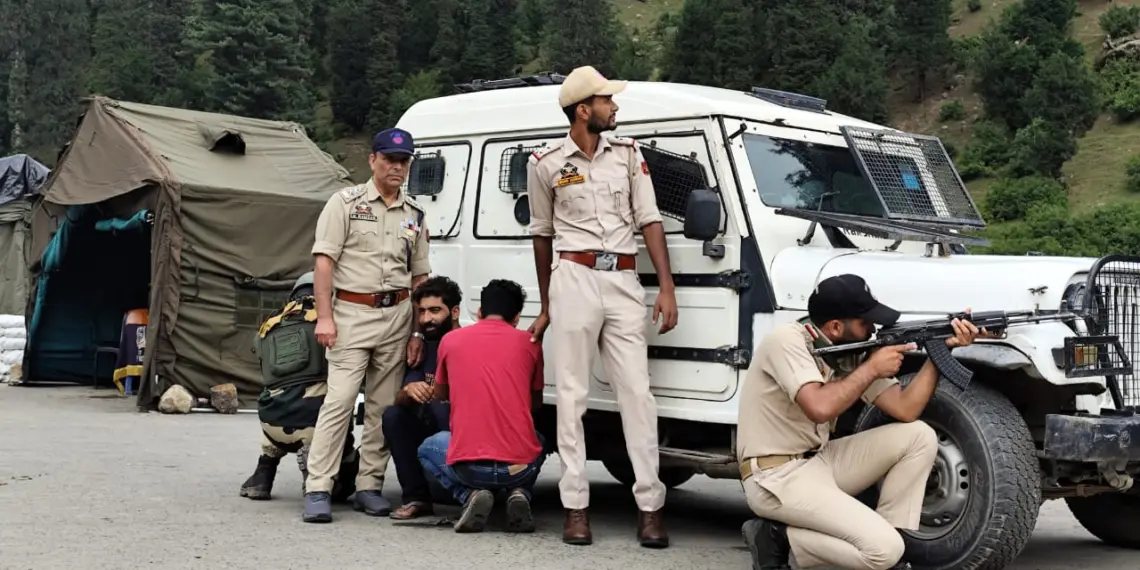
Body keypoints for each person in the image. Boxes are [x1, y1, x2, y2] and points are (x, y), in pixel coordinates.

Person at [525, 64, 678, 548]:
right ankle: (576, 507)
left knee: (638, 393)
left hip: (623, 278)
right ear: (583, 109)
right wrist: (548, 301)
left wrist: (666, 287)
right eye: (608, 101)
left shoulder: (630, 155)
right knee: (571, 395)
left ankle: (650, 507)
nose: (616, 107)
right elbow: (542, 235)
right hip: (573, 276)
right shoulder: (545, 162)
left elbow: (650, 220)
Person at [736, 274, 985, 570]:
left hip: (819, 462)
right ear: (836, 327)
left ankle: (886, 543)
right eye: (865, 322)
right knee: (883, 551)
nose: (873, 329)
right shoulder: (786, 341)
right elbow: (818, 407)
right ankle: (778, 538)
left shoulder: (848, 351)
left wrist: (941, 351)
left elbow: (905, 409)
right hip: (775, 476)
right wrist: (871, 369)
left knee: (918, 436)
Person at [303, 127, 431, 523]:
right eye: (390, 159)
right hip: (351, 315)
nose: (397, 167)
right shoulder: (344, 204)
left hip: (396, 316)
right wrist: (325, 316)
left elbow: (420, 278)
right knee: (339, 402)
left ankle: (368, 486)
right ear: (373, 160)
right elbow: (324, 262)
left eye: (404, 161)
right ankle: (319, 486)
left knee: (382, 407)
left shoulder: (415, 214)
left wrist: (416, 331)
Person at [416, 279, 548, 534]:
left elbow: (441, 393)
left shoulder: (451, 340)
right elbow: (536, 403)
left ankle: (469, 494)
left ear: (479, 311)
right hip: (518, 469)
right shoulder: (530, 344)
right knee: (539, 439)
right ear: (517, 317)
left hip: (469, 468)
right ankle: (520, 493)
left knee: (426, 447)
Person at [239, 272, 360, 503]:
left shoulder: (270, 323)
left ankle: (262, 477)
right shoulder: (330, 323)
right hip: (314, 423)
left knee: (280, 395)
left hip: (271, 422)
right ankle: (322, 472)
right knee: (339, 407)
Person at [383, 275, 463, 520]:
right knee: (394, 414)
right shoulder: (421, 348)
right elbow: (402, 396)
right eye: (422, 312)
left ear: (455, 311)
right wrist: (408, 391)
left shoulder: (469, 343)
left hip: (468, 443)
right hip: (433, 450)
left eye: (435, 311)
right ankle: (417, 498)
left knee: (442, 407)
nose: (427, 319)